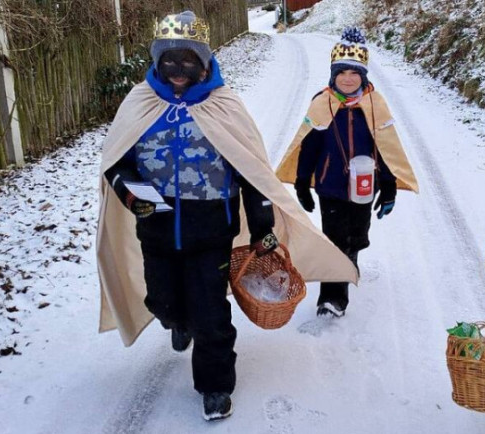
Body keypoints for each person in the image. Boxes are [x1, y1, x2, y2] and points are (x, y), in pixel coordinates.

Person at [96, 11, 358, 422]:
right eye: (168, 60)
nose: (178, 71)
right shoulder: (140, 102)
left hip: (211, 231)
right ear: (156, 61)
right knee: (162, 301)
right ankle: (176, 320)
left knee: (211, 314)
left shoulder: (225, 105)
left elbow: (251, 169)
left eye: (188, 61)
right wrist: (130, 195)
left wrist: (263, 227)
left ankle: (215, 385)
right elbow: (116, 162)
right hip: (157, 229)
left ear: (204, 62)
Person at [276, 27, 418, 318]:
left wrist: (389, 186)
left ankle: (351, 258)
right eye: (342, 73)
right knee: (334, 240)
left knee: (358, 234)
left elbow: (387, 149)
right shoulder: (322, 104)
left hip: (366, 186)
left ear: (363, 76)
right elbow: (308, 146)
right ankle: (333, 298)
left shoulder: (375, 106)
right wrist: (303, 183)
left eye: (355, 73)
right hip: (331, 187)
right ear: (333, 75)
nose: (348, 79)